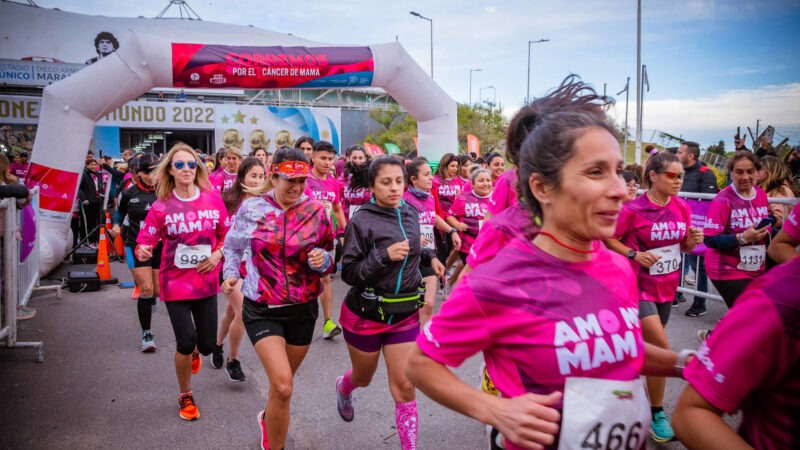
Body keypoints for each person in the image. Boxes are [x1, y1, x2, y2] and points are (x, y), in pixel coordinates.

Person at [405, 76, 694, 450]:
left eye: (618, 171)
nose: (621, 188)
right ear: (542, 188)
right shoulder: (500, 280)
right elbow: (420, 364)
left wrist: (685, 363)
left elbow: (621, 347)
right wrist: (494, 411)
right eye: (595, 172)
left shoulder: (618, 266)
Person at [221, 147, 333, 450]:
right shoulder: (252, 209)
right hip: (262, 307)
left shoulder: (317, 211)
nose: (297, 188)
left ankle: (268, 419)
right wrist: (230, 273)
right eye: (290, 180)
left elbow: (330, 252)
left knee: (280, 389)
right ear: (274, 176)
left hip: (303, 308)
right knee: (283, 385)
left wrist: (324, 260)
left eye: (302, 181)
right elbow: (231, 246)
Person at [334, 156, 444, 450]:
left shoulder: (409, 212)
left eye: (399, 181)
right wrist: (383, 256)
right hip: (366, 315)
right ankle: (344, 388)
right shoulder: (361, 221)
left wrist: (430, 256)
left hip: (404, 314)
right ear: (371, 186)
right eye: (386, 182)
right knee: (363, 377)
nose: (395, 188)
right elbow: (350, 273)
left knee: (406, 387)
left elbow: (417, 247)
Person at [605, 152, 704, 443]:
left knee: (643, 348)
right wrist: (633, 253)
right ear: (653, 176)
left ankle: (621, 394)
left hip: (667, 286)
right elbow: (607, 238)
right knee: (661, 345)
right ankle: (658, 412)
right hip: (636, 285)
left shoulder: (682, 207)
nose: (677, 181)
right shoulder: (633, 209)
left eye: (681, 176)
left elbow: (683, 248)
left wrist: (691, 241)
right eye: (671, 176)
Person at [136, 143, 229, 421]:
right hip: (175, 283)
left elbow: (227, 234)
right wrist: (143, 249)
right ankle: (185, 393)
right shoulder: (162, 205)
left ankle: (198, 352)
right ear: (170, 170)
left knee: (208, 345)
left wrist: (217, 253)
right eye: (180, 165)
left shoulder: (213, 199)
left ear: (199, 168)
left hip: (206, 282)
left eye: (192, 164)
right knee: (185, 342)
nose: (186, 169)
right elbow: (146, 239)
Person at [672, 255, 800, 449]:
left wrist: (690, 362)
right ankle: (656, 412)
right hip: (725, 271)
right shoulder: (777, 300)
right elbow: (691, 414)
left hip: (665, 283)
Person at [210, 157, 266, 382]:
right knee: (243, 312)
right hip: (229, 265)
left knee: (231, 312)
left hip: (253, 267)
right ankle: (233, 361)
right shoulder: (227, 201)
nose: (258, 180)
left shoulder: (266, 202)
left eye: (262, 176)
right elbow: (215, 231)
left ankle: (216, 345)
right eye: (253, 175)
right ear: (242, 176)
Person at [703, 151, 770, 308]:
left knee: (747, 317)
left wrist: (773, 224)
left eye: (750, 171)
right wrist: (742, 237)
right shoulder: (723, 200)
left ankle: (713, 334)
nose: (745, 177)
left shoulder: (761, 195)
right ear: (731, 173)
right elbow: (710, 239)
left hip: (754, 266)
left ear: (758, 173)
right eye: (739, 172)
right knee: (750, 312)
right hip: (727, 268)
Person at [112, 153, 161, 352]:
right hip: (136, 245)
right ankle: (147, 333)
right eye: (145, 172)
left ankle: (150, 300)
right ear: (138, 173)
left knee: (156, 291)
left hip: (160, 245)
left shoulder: (165, 192)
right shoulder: (129, 192)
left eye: (154, 172)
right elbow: (119, 212)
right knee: (146, 289)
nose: (150, 176)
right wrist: (116, 224)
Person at [403, 158, 460, 325]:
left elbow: (433, 218)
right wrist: (414, 238)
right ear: (414, 179)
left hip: (429, 253)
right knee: (411, 306)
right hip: (409, 256)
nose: (431, 178)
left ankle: (422, 344)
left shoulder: (429, 197)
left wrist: (452, 231)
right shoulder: (403, 200)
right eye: (426, 174)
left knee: (428, 304)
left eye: (430, 174)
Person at [307, 140, 345, 339]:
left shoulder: (333, 182)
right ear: (313, 157)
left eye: (331, 159)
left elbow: (337, 209)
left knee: (325, 278)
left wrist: (346, 233)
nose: (327, 162)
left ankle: (328, 322)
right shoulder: (303, 179)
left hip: (326, 237)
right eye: (323, 158)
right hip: (304, 238)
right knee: (303, 279)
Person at [675, 141, 719, 317]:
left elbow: (709, 202)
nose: (677, 155)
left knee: (697, 265)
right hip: (679, 223)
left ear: (690, 155)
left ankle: (700, 303)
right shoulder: (680, 173)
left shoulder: (705, 174)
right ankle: (676, 293)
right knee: (678, 259)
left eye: (679, 152)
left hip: (697, 226)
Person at [0, 153, 35, 320]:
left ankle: (12, 308)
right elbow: (23, 196)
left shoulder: (10, 183)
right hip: (4, 233)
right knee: (6, 273)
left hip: (7, 232)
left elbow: (23, 196)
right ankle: (10, 311)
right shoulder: (10, 183)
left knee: (8, 272)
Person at [445, 168, 492, 285]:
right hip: (467, 243)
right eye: (481, 180)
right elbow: (449, 215)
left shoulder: (496, 198)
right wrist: (457, 224)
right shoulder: (463, 198)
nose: (486, 183)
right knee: (474, 272)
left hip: (489, 243)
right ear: (473, 184)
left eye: (488, 180)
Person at [78, 158, 106, 245]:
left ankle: (94, 240)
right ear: (87, 165)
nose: (94, 166)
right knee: (87, 223)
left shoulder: (98, 174)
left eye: (95, 164)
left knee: (96, 222)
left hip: (97, 201)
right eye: (92, 165)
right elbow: (80, 187)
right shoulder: (84, 174)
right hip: (88, 202)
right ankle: (85, 240)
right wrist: (84, 199)